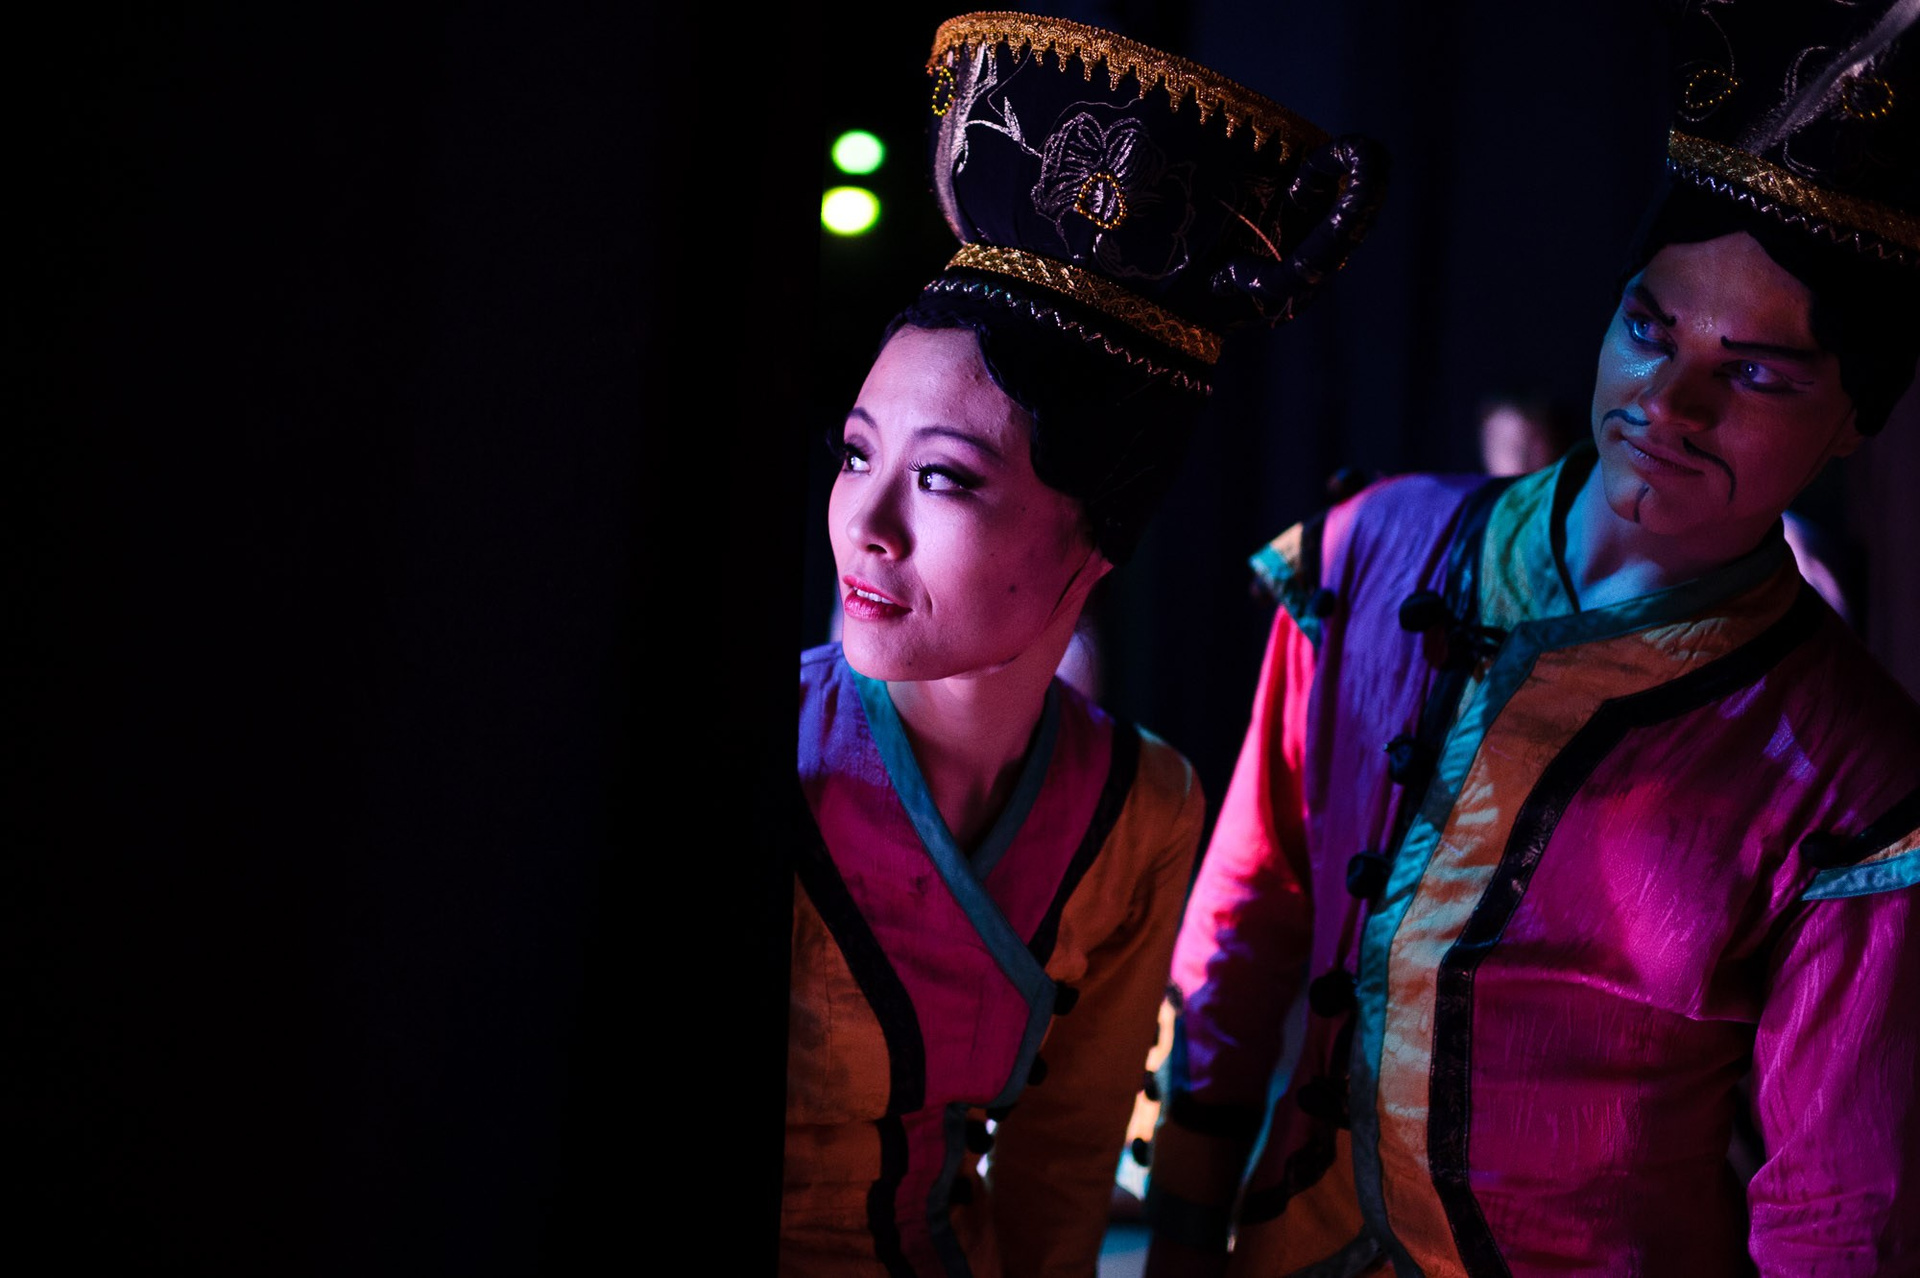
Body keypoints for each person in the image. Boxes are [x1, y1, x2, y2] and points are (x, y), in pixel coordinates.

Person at [1144, 3, 1920, 1275]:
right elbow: (1256, 896)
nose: (1669, 404)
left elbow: (1839, 1210)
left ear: (1854, 421)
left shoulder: (1852, 772)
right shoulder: (1372, 549)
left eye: (1756, 374)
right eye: (1649, 329)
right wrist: (1185, 1209)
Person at [787, 11, 1388, 1276]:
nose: (867, 525)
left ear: (1098, 530)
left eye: (943, 479)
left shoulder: (1140, 808)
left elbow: (1061, 1177)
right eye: (854, 455)